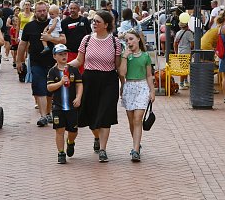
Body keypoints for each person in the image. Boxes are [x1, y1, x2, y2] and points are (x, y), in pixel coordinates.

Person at [68, 10, 121, 163]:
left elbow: (118, 66)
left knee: (105, 115)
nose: (94, 24)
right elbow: (79, 61)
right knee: (91, 115)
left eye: (98, 21)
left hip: (109, 80)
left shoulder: (114, 42)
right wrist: (63, 66)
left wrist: (123, 83)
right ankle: (96, 137)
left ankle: (103, 149)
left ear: (106, 24)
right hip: (89, 79)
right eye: (93, 21)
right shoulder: (87, 39)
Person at [16, 1, 66, 127]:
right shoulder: (29, 26)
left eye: (44, 10)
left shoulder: (56, 23)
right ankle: (43, 115)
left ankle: (48, 113)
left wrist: (51, 39)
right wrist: (19, 60)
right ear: (35, 11)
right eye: (39, 11)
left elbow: (63, 40)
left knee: (50, 90)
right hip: (36, 62)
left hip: (53, 62)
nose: (42, 13)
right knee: (39, 87)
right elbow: (22, 45)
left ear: (47, 10)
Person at [119, 29, 155, 162]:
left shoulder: (145, 56)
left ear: (138, 39)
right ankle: (136, 143)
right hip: (129, 87)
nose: (129, 42)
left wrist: (152, 91)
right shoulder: (125, 55)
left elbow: (149, 75)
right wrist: (124, 57)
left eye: (131, 39)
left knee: (138, 118)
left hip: (142, 87)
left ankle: (135, 150)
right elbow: (122, 73)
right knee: (131, 120)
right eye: (127, 40)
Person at [47, 44, 83, 164]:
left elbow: (79, 84)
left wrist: (78, 97)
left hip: (71, 106)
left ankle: (71, 142)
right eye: (60, 54)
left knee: (73, 131)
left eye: (65, 54)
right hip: (58, 106)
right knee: (59, 130)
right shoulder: (52, 71)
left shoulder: (73, 69)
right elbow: (49, 87)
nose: (64, 56)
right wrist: (60, 83)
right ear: (54, 56)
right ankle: (61, 153)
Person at [61, 2, 92, 72]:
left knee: (82, 74)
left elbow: (89, 34)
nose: (72, 10)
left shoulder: (84, 20)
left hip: (83, 53)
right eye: (71, 8)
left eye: (74, 8)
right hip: (70, 52)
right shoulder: (64, 22)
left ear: (78, 10)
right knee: (70, 73)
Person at [173, 20, 194, 90]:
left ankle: (185, 81)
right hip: (187, 52)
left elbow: (175, 44)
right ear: (187, 25)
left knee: (183, 67)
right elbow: (192, 44)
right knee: (184, 68)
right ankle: (182, 84)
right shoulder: (189, 33)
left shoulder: (178, 33)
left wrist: (176, 52)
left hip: (180, 52)